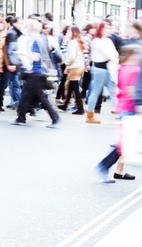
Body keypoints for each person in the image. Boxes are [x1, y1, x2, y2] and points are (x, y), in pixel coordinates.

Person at [95, 44, 141, 183]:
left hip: (123, 107)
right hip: (130, 108)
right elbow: (131, 89)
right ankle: (104, 165)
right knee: (125, 142)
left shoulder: (122, 68)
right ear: (132, 55)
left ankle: (109, 167)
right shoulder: (134, 70)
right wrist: (138, 105)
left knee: (125, 141)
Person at [10, 19, 60, 128]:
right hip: (37, 72)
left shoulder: (35, 40)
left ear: (30, 28)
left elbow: (36, 57)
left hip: (35, 73)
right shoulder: (40, 39)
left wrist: (23, 53)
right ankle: (21, 117)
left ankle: (55, 117)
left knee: (40, 97)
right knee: (26, 96)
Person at [86, 21, 119, 124]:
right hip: (100, 69)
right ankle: (90, 115)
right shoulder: (97, 41)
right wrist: (113, 58)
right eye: (106, 28)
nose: (109, 30)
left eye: (110, 28)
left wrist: (113, 58)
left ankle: (121, 113)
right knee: (96, 92)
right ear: (101, 29)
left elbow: (114, 54)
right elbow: (110, 54)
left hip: (107, 68)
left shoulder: (107, 41)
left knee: (113, 91)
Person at [57, 25, 85, 115]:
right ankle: (65, 105)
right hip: (79, 66)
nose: (67, 33)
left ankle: (80, 108)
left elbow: (71, 57)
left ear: (73, 33)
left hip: (75, 67)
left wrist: (66, 63)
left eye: (69, 32)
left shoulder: (73, 43)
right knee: (70, 86)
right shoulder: (78, 42)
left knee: (74, 87)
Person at [3, 16, 24, 110]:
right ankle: (17, 101)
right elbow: (10, 50)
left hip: (14, 63)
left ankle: (16, 101)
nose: (21, 25)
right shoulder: (12, 33)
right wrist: (12, 63)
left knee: (14, 83)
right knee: (13, 83)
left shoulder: (16, 33)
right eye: (20, 23)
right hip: (13, 63)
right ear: (14, 23)